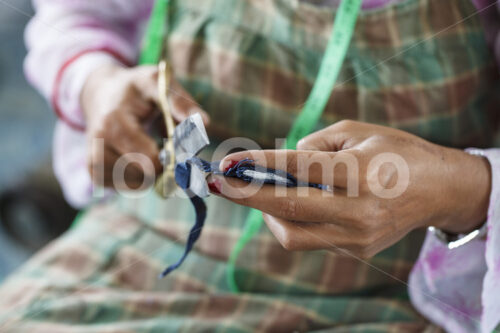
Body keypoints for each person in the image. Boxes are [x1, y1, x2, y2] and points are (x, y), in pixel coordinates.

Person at [0, 0, 498, 332]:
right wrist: (97, 83)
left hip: (398, 289)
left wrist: (457, 190)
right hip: (145, 245)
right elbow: (77, 16)